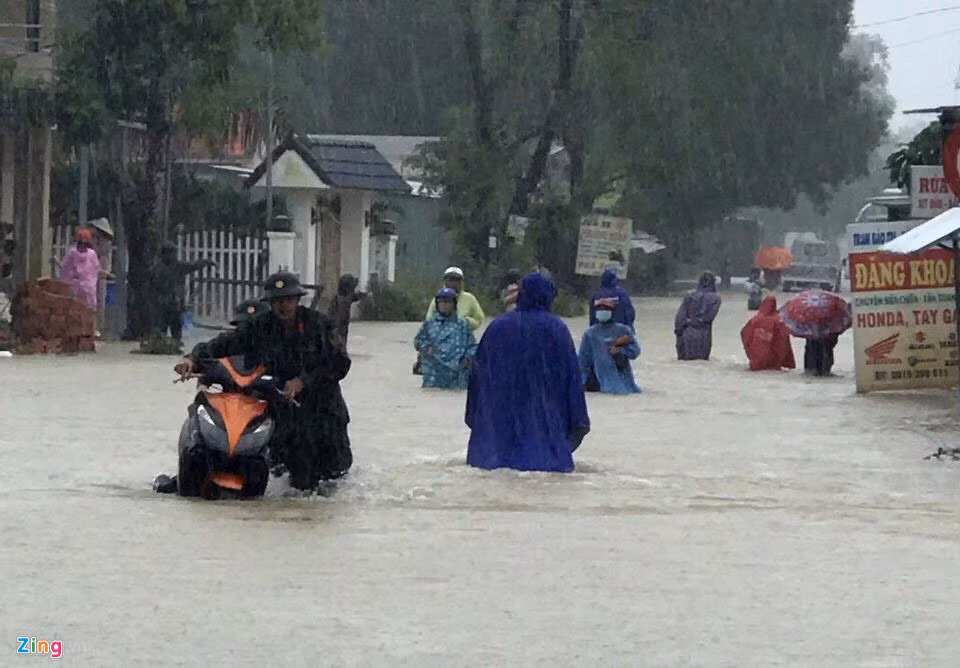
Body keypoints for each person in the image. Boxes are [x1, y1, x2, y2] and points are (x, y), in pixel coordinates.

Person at [174, 272, 352, 492]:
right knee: (289, 482)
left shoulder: (319, 326)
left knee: (333, 480)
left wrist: (303, 382)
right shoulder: (260, 327)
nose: (283, 306)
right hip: (284, 416)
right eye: (277, 301)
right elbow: (224, 343)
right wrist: (192, 359)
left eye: (287, 299)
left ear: (297, 299)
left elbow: (340, 363)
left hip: (323, 414)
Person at [465, 272, 590, 473]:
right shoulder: (557, 329)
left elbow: (477, 379)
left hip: (495, 441)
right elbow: (572, 381)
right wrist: (576, 423)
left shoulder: (497, 327)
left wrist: (478, 419)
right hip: (545, 440)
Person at [153, 298, 270, 495]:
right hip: (228, 408)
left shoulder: (279, 348)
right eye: (244, 325)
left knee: (292, 436)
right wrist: (190, 362)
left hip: (264, 407)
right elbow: (203, 352)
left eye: (256, 325)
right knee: (197, 432)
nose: (250, 331)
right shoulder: (229, 342)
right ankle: (185, 476)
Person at [414, 266, 485, 374]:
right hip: (438, 346)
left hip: (460, 342)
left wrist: (466, 322)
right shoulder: (437, 299)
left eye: (457, 280)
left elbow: (479, 319)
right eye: (450, 279)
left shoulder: (469, 299)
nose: (453, 283)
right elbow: (427, 323)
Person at [414, 287, 478, 390]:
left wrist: (468, 358)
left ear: (454, 304)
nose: (444, 305)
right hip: (434, 375)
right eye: (441, 301)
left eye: (448, 302)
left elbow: (472, 345)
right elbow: (418, 341)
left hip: (457, 375)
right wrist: (426, 348)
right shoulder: (429, 324)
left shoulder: (462, 324)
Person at [151, 241, 215, 342]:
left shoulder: (178, 266)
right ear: (164, 254)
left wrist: (207, 262)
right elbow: (151, 288)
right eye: (172, 253)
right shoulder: (157, 269)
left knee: (176, 329)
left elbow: (194, 265)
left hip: (174, 303)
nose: (174, 255)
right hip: (162, 304)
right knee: (161, 330)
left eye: (174, 253)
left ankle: (174, 343)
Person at [579, 298, 641, 394]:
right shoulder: (590, 334)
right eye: (599, 309)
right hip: (602, 384)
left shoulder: (623, 330)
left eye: (605, 309)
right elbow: (583, 361)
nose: (602, 311)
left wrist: (621, 351)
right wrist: (582, 382)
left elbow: (635, 351)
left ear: (612, 312)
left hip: (626, 383)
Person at [59, 229, 112, 331]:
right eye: (80, 243)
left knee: (90, 313)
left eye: (85, 243)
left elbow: (95, 269)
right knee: (74, 313)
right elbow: (65, 271)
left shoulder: (91, 255)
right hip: (74, 290)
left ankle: (90, 332)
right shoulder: (72, 254)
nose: (82, 246)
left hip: (89, 290)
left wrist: (107, 274)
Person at [674, 271, 722, 361]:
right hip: (703, 336)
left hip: (686, 334)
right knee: (701, 365)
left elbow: (679, 319)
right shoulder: (716, 298)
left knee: (684, 365)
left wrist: (679, 334)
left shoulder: (689, 295)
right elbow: (709, 317)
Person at [740, 296, 796, 371]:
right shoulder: (778, 321)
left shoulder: (755, 320)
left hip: (756, 360)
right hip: (773, 360)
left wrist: (750, 351)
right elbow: (783, 341)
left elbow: (744, 333)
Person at [328, 274, 365, 347]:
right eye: (352, 288)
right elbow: (337, 320)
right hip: (338, 333)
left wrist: (362, 295)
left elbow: (355, 297)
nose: (354, 290)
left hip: (342, 331)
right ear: (348, 289)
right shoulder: (341, 302)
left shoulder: (345, 298)